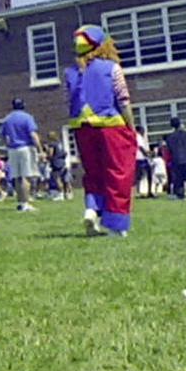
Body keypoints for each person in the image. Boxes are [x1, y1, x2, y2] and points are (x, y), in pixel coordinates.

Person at [63, 25, 137, 236]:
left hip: (81, 128)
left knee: (93, 173)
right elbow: (123, 100)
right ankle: (116, 223)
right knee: (118, 173)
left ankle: (92, 209)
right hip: (111, 126)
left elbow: (67, 101)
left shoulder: (69, 73)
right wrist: (131, 126)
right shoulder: (111, 68)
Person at [0, 98, 42, 212]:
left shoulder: (7, 119)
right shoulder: (27, 117)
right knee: (26, 176)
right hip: (25, 148)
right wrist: (40, 149)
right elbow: (33, 134)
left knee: (17, 177)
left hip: (12, 149)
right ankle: (26, 203)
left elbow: (2, 135)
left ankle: (20, 202)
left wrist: (7, 144)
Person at [163, 117, 186, 199]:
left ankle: (180, 193)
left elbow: (169, 149)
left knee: (178, 177)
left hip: (176, 159)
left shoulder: (170, 137)